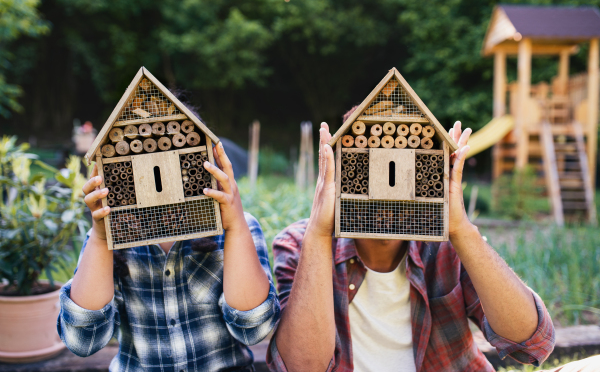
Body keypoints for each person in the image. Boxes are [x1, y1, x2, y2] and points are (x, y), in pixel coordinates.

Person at [267, 120, 556, 372]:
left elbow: (532, 343)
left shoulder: (445, 245)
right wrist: (319, 232)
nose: (385, 193)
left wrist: (460, 230)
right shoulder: (299, 243)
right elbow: (300, 367)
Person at [58, 141, 280, 372]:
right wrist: (102, 239)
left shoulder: (237, 230)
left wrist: (235, 227)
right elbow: (83, 340)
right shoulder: (105, 243)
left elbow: (254, 329)